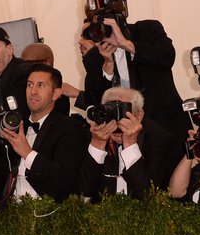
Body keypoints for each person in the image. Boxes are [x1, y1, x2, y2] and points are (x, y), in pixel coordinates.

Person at [0, 63, 87, 204]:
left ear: (56, 93)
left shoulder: (69, 128)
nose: (33, 91)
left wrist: (27, 153)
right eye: (29, 85)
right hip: (13, 216)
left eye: (41, 85)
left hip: (51, 217)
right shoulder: (15, 125)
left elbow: (66, 180)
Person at [78, 8, 188, 142]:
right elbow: (94, 99)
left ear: (121, 16)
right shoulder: (93, 57)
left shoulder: (147, 30)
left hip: (166, 127)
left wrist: (126, 45)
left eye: (107, 19)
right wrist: (108, 65)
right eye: (98, 21)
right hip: (122, 135)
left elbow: (166, 58)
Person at [79, 86, 182, 201]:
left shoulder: (159, 139)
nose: (116, 122)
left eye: (122, 113)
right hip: (99, 214)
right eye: (111, 113)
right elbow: (85, 192)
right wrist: (97, 145)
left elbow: (149, 195)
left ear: (139, 116)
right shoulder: (92, 135)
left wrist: (130, 145)